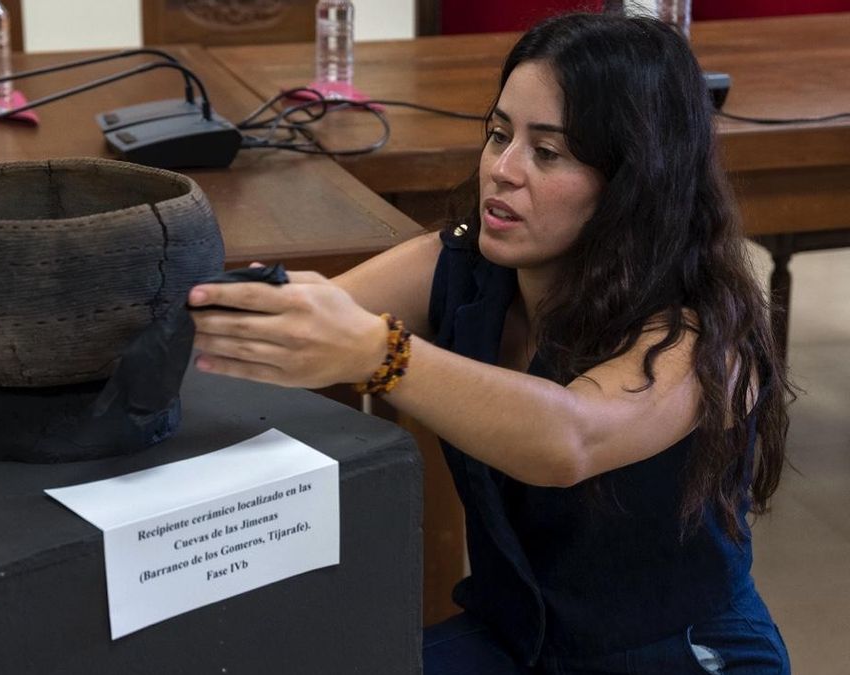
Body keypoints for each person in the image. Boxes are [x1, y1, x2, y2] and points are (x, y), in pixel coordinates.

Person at [188, 12, 793, 675]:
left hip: (676, 655)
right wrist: (218, 313)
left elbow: (569, 436)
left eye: (548, 151)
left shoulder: (704, 333)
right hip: (516, 642)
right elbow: (292, 320)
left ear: (632, 180)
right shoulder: (459, 266)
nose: (502, 170)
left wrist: (376, 354)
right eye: (499, 133)